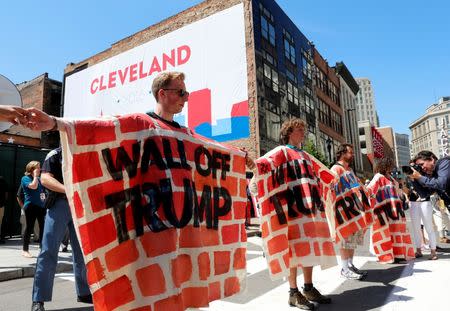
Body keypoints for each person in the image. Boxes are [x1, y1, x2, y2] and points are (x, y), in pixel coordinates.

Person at [250, 118, 332, 310]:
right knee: (294, 250)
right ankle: (293, 292)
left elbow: (324, 175)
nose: (303, 133)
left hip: (308, 210)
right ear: (289, 132)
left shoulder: (306, 155)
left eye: (303, 129)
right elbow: (264, 165)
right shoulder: (282, 152)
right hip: (292, 211)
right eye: (299, 130)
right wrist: (251, 163)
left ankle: (309, 287)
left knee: (308, 248)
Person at [31, 148, 91, 311]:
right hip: (59, 204)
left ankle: (84, 292)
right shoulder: (56, 154)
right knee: (49, 250)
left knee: (82, 252)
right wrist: (69, 190)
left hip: (80, 205)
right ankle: (39, 299)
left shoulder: (84, 153)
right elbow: (45, 178)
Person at [330, 144, 368, 280]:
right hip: (343, 210)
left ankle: (350, 265)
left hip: (354, 209)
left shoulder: (350, 170)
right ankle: (344, 268)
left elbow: (356, 186)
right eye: (350, 152)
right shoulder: (336, 169)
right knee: (345, 239)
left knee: (352, 240)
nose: (353, 155)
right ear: (342, 153)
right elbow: (333, 188)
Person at [367, 157, 414, 264]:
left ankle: (398, 254)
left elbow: (398, 191)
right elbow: (370, 189)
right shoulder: (378, 177)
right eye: (390, 165)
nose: (392, 167)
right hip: (383, 210)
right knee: (385, 232)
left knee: (396, 231)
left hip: (395, 210)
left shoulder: (391, 178)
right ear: (384, 166)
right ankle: (387, 256)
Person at [406, 159, 438, 260]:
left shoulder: (423, 176)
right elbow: (407, 191)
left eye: (414, 167)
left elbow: (432, 189)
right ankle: (418, 250)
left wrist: (417, 178)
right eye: (410, 167)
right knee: (416, 228)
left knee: (429, 228)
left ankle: (433, 252)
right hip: (413, 203)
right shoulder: (409, 178)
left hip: (425, 203)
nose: (412, 169)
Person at [21, 161, 46, 258]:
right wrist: (35, 176)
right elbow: (33, 186)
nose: (40, 169)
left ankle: (42, 248)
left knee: (43, 227)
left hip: (41, 206)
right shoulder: (25, 178)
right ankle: (25, 250)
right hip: (30, 206)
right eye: (38, 167)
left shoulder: (40, 179)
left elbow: (43, 192)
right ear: (32, 169)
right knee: (29, 227)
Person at [0, 175, 7, 244]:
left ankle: (2, 238)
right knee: (1, 222)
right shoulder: (2, 180)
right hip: (1, 204)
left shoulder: (2, 180)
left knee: (1, 222)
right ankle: (1, 238)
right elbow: (6, 194)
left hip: (1, 204)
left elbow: (6, 193)